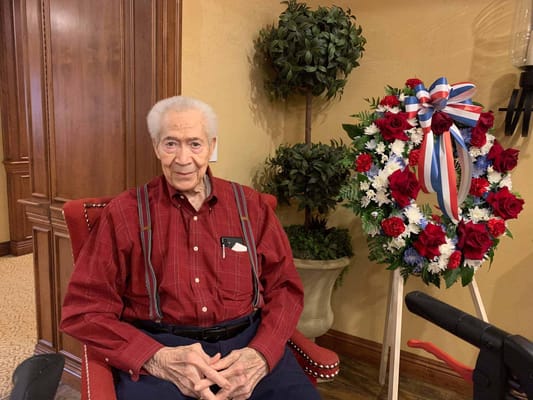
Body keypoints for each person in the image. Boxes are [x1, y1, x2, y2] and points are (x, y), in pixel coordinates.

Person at [60, 96, 321, 400]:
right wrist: (155, 358)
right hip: (164, 352)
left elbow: (285, 288)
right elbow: (84, 310)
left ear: (211, 146)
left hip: (248, 345)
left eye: (195, 144)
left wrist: (261, 355)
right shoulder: (124, 214)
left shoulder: (251, 206)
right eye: (171, 144)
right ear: (156, 146)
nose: (183, 158)